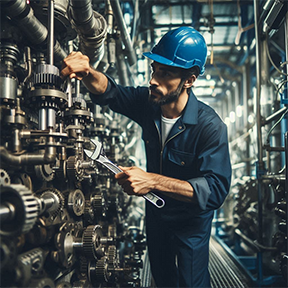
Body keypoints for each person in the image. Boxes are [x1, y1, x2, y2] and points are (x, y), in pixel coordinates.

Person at [61, 26, 231, 288]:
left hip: (190, 224)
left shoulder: (210, 127)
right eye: (154, 69)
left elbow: (215, 191)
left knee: (191, 283)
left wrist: (152, 181)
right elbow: (113, 93)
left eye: (166, 73)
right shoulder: (149, 102)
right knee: (162, 279)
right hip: (156, 217)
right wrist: (88, 72)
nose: (153, 79)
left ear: (190, 79)